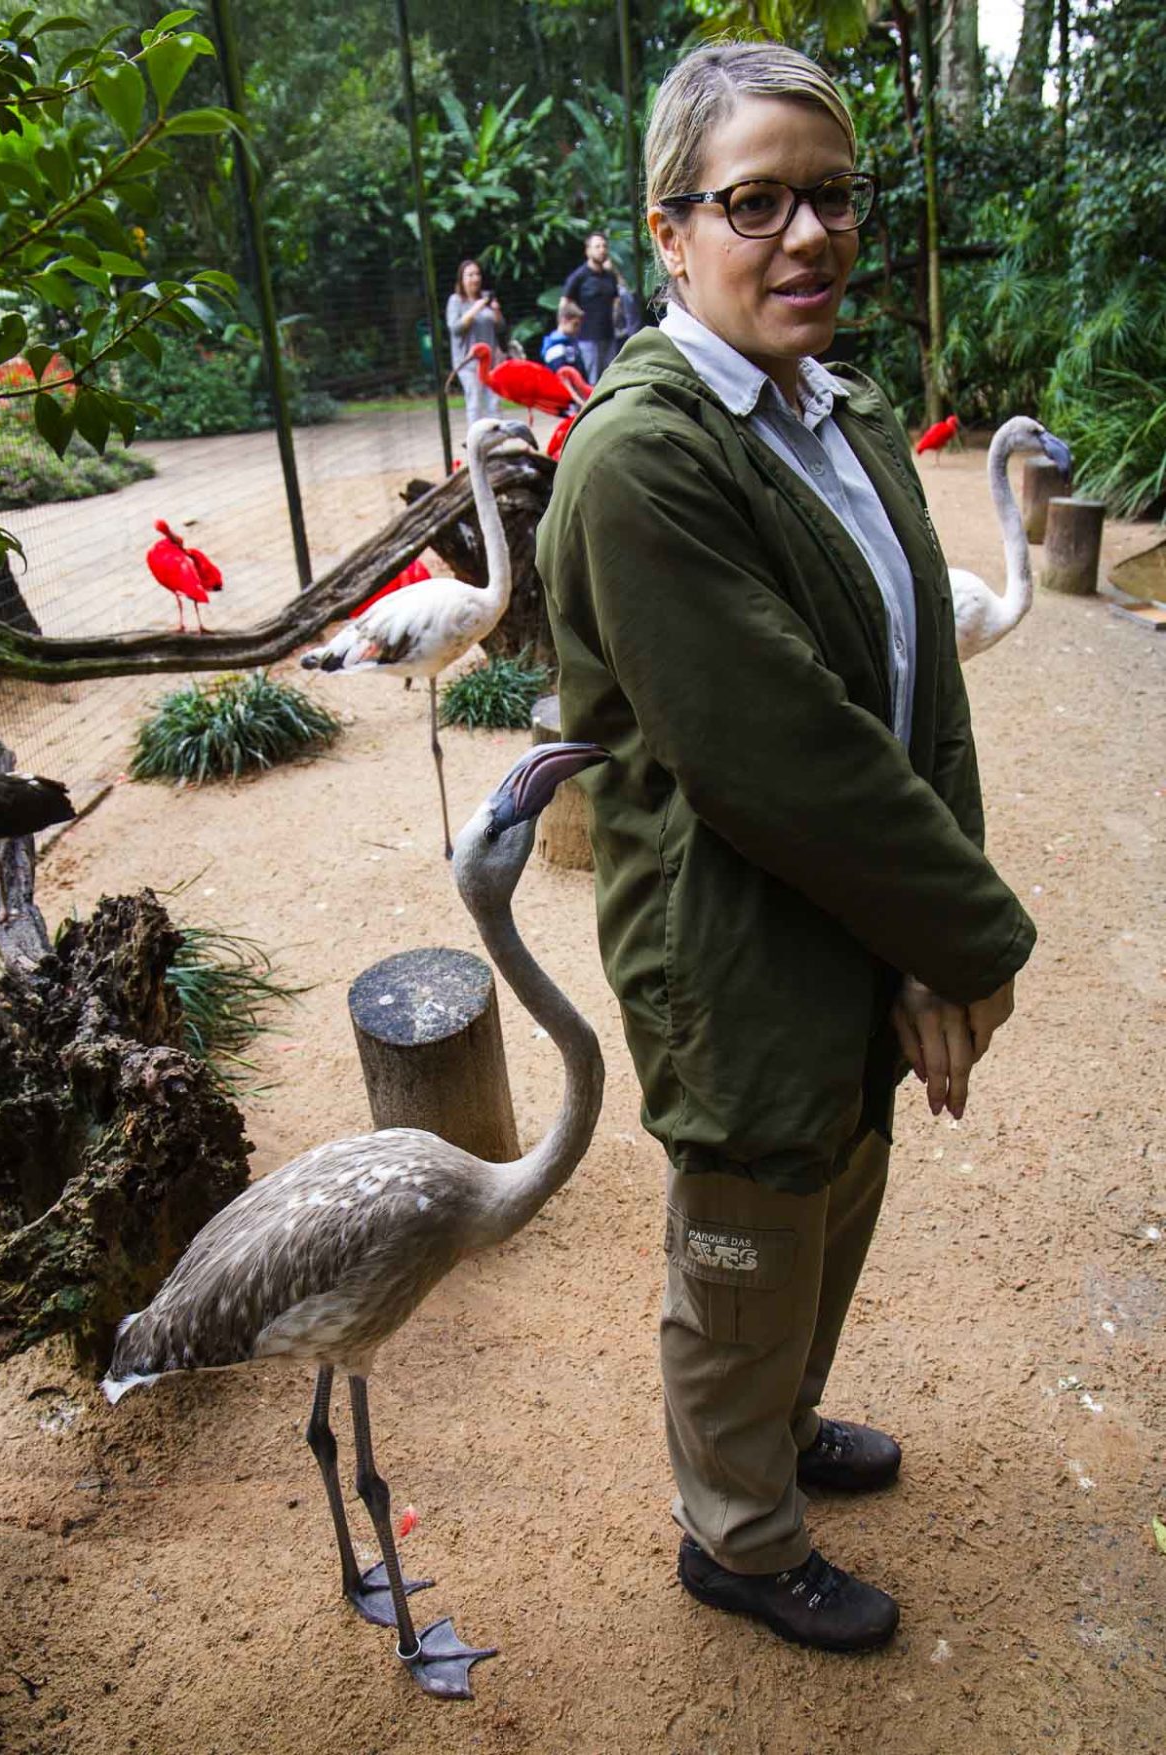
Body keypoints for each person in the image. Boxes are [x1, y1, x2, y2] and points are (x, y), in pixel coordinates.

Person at [537, 41, 1034, 1656]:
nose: (808, 234)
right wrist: (971, 939)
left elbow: (920, 693)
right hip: (736, 946)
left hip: (851, 923)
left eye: (831, 195)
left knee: (841, 1175)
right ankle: (736, 1532)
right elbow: (788, 761)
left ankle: (779, 1418)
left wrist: (916, 944)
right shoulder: (644, 458)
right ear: (671, 231)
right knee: (748, 1232)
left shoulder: (844, 408)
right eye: (758, 201)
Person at [445, 259, 504, 426]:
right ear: (461, 279)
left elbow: (500, 327)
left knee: (494, 403)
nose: (475, 278)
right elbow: (455, 328)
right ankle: (475, 443)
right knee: (475, 403)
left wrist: (497, 311)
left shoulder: (487, 298)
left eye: (477, 274)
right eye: (470, 275)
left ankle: (498, 445)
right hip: (468, 363)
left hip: (490, 362)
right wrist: (475, 308)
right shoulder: (456, 301)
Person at [562, 231, 619, 384]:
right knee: (591, 384)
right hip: (587, 339)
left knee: (611, 381)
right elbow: (564, 303)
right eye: (597, 246)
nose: (602, 250)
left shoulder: (610, 276)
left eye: (604, 246)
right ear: (588, 251)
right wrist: (579, 314)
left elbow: (616, 300)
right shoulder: (579, 277)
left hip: (609, 336)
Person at [541, 298, 588, 379]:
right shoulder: (554, 348)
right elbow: (561, 377)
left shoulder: (571, 342)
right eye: (575, 324)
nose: (578, 329)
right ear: (564, 320)